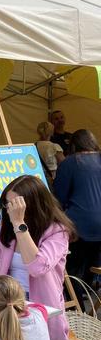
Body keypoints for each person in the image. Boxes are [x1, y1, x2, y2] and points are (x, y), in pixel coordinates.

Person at [0, 175, 76, 340]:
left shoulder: (57, 231)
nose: (9, 210)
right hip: (6, 301)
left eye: (15, 205)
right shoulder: (6, 225)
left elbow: (37, 267)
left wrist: (19, 223)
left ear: (33, 205)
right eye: (7, 204)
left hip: (39, 307)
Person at [54, 129, 101, 304]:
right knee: (93, 268)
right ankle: (87, 305)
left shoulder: (70, 163)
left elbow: (59, 197)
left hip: (78, 226)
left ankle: (77, 311)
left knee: (73, 272)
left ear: (74, 145)